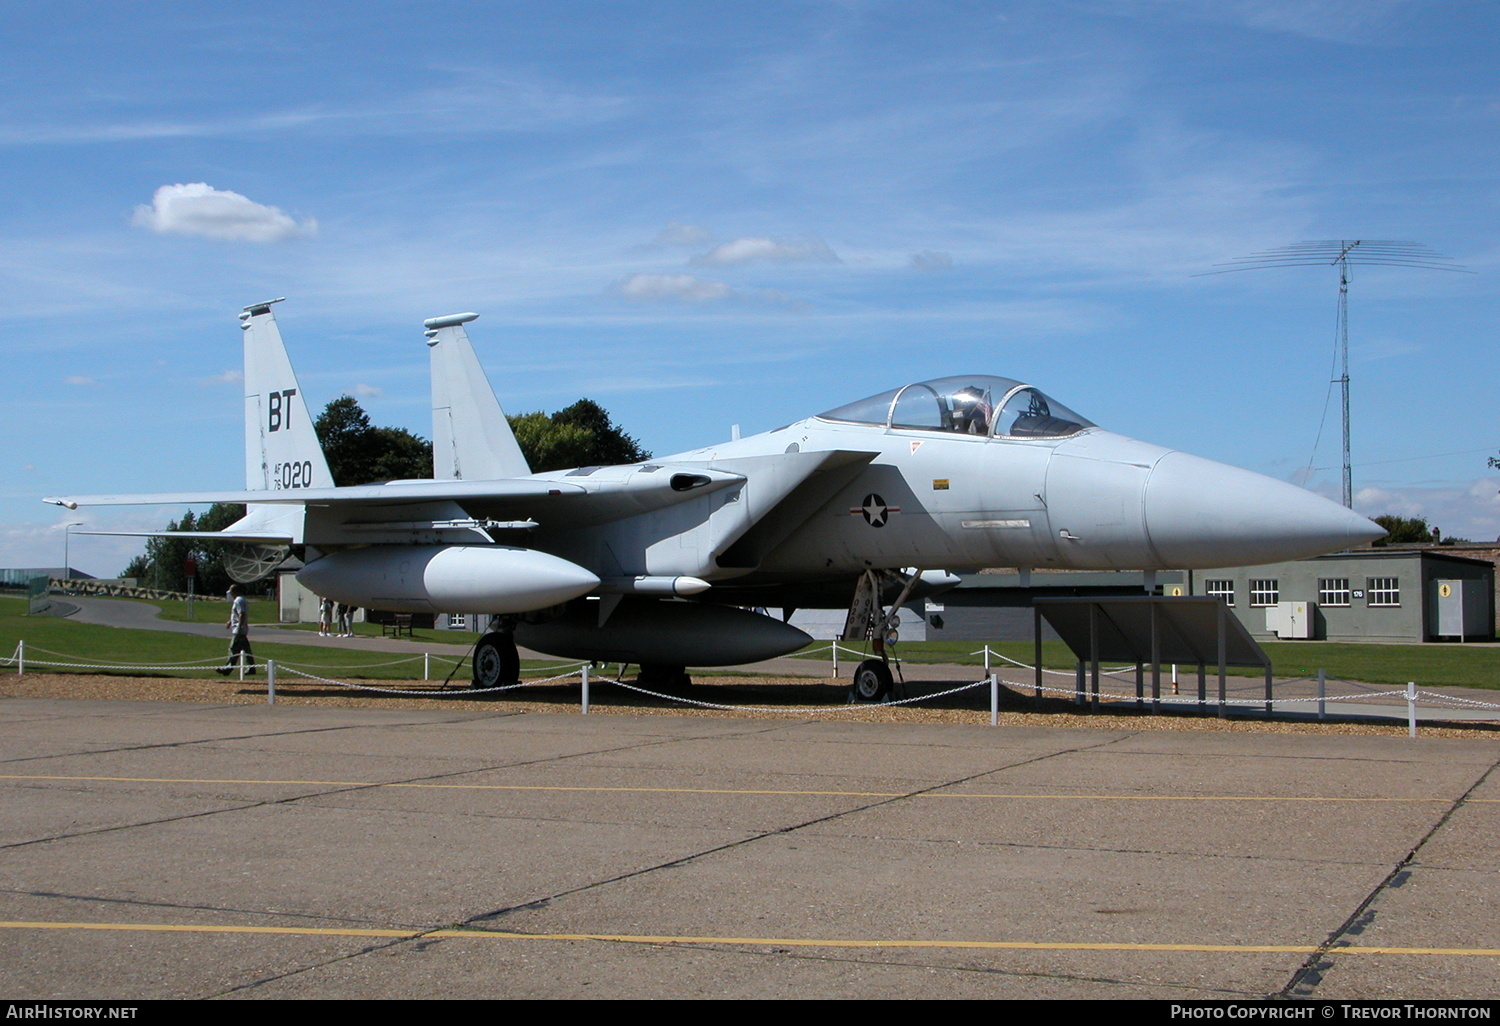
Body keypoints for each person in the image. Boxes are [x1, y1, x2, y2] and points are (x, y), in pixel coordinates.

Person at [217, 585, 255, 675]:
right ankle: (251, 668)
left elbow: (242, 614)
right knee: (246, 650)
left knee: (233, 649)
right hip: (241, 629)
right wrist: (230, 621)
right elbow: (238, 614)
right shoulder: (242, 600)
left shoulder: (238, 600)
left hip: (239, 629)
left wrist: (239, 627)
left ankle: (228, 668)